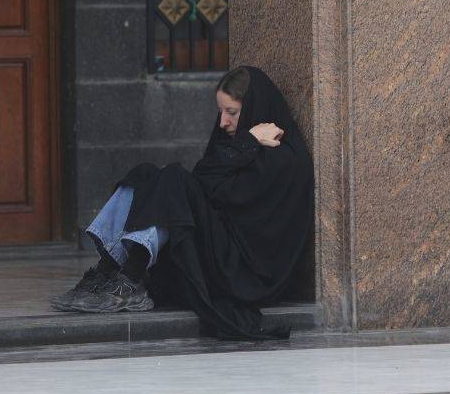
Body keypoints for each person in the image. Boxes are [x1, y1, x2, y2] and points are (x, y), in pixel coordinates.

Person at [51, 65, 314, 339]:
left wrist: (246, 143)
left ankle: (130, 282)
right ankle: (108, 270)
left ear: (253, 110)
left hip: (246, 275)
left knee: (175, 179)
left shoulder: (283, 162)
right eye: (221, 112)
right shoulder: (240, 146)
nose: (223, 122)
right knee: (146, 174)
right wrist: (246, 143)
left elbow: (229, 200)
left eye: (232, 113)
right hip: (221, 252)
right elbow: (205, 180)